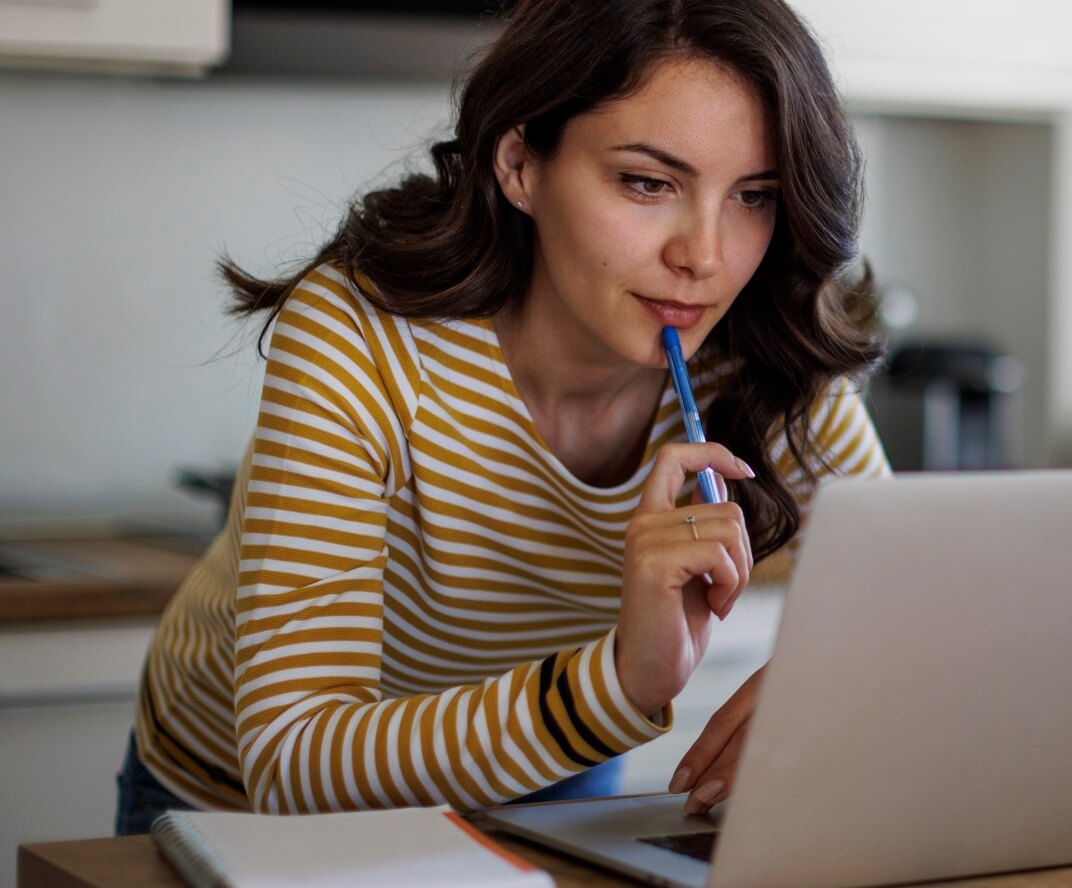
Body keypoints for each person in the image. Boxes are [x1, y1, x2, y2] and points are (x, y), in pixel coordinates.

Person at [117, 0, 891, 835]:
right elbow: (290, 753)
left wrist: (834, 679)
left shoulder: (765, 358)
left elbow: (911, 603)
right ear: (520, 163)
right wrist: (621, 686)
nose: (703, 256)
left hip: (548, 777)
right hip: (245, 809)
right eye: (646, 182)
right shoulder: (361, 331)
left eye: (754, 196)